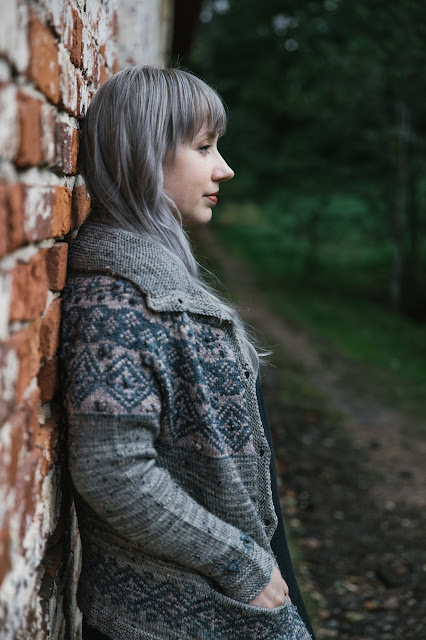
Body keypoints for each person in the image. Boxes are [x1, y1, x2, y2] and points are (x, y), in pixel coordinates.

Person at [61, 65, 315, 640]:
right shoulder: (117, 298)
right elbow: (112, 470)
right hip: (178, 613)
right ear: (145, 156)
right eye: (204, 147)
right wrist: (242, 564)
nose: (224, 168)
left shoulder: (152, 275)